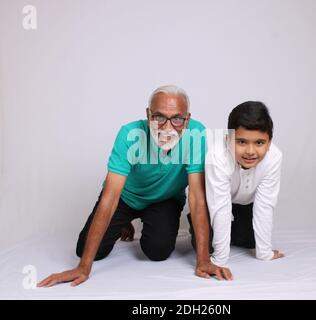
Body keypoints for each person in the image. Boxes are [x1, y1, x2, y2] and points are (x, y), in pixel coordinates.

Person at [38, 85, 232, 288]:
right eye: (159, 117)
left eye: (177, 119)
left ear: (187, 119)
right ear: (148, 115)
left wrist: (203, 261)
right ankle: (123, 221)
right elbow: (109, 198)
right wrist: (83, 267)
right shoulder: (129, 134)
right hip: (126, 197)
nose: (167, 127)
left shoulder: (197, 134)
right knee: (86, 251)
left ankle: (150, 220)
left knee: (157, 252)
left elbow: (197, 198)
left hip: (164, 200)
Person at [205, 101, 285, 269]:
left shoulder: (274, 157)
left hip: (246, 203)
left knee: (249, 242)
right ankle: (204, 228)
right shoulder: (217, 155)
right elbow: (220, 207)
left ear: (269, 142)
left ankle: (236, 230)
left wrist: (265, 253)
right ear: (228, 140)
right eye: (241, 142)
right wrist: (219, 260)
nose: (250, 151)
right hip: (215, 202)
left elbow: (265, 205)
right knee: (207, 246)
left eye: (259, 143)